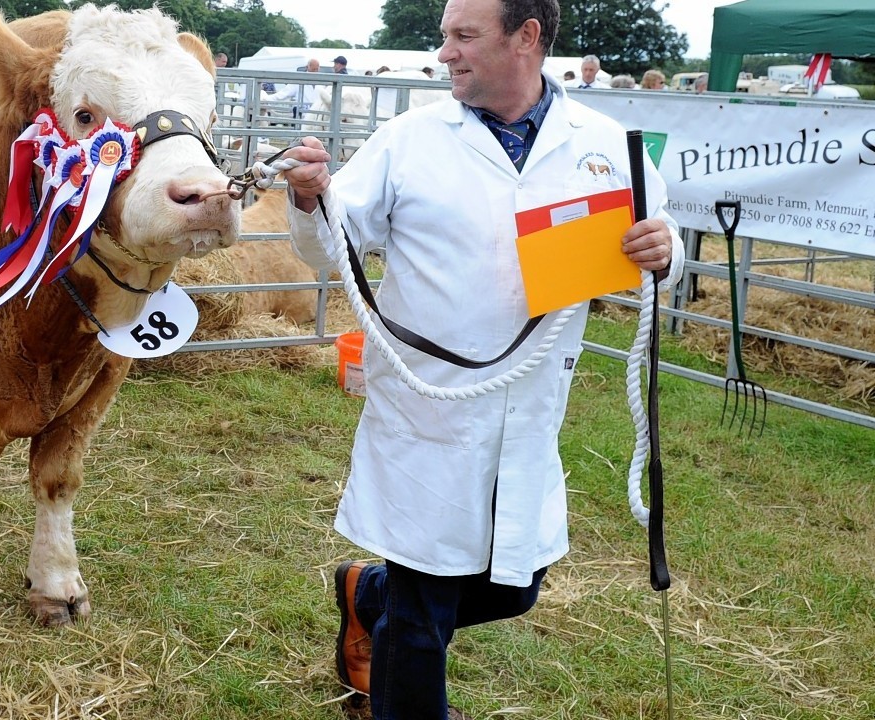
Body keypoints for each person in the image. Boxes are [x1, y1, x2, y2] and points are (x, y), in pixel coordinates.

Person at [281, 1, 684, 718]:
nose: (445, 53)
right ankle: (395, 635)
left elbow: (656, 236)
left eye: (462, 35)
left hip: (528, 408)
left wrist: (665, 253)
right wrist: (308, 197)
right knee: (422, 613)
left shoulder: (601, 142)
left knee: (512, 586)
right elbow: (332, 244)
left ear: (525, 37)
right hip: (427, 406)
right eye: (445, 36)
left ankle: (365, 593)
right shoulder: (408, 139)